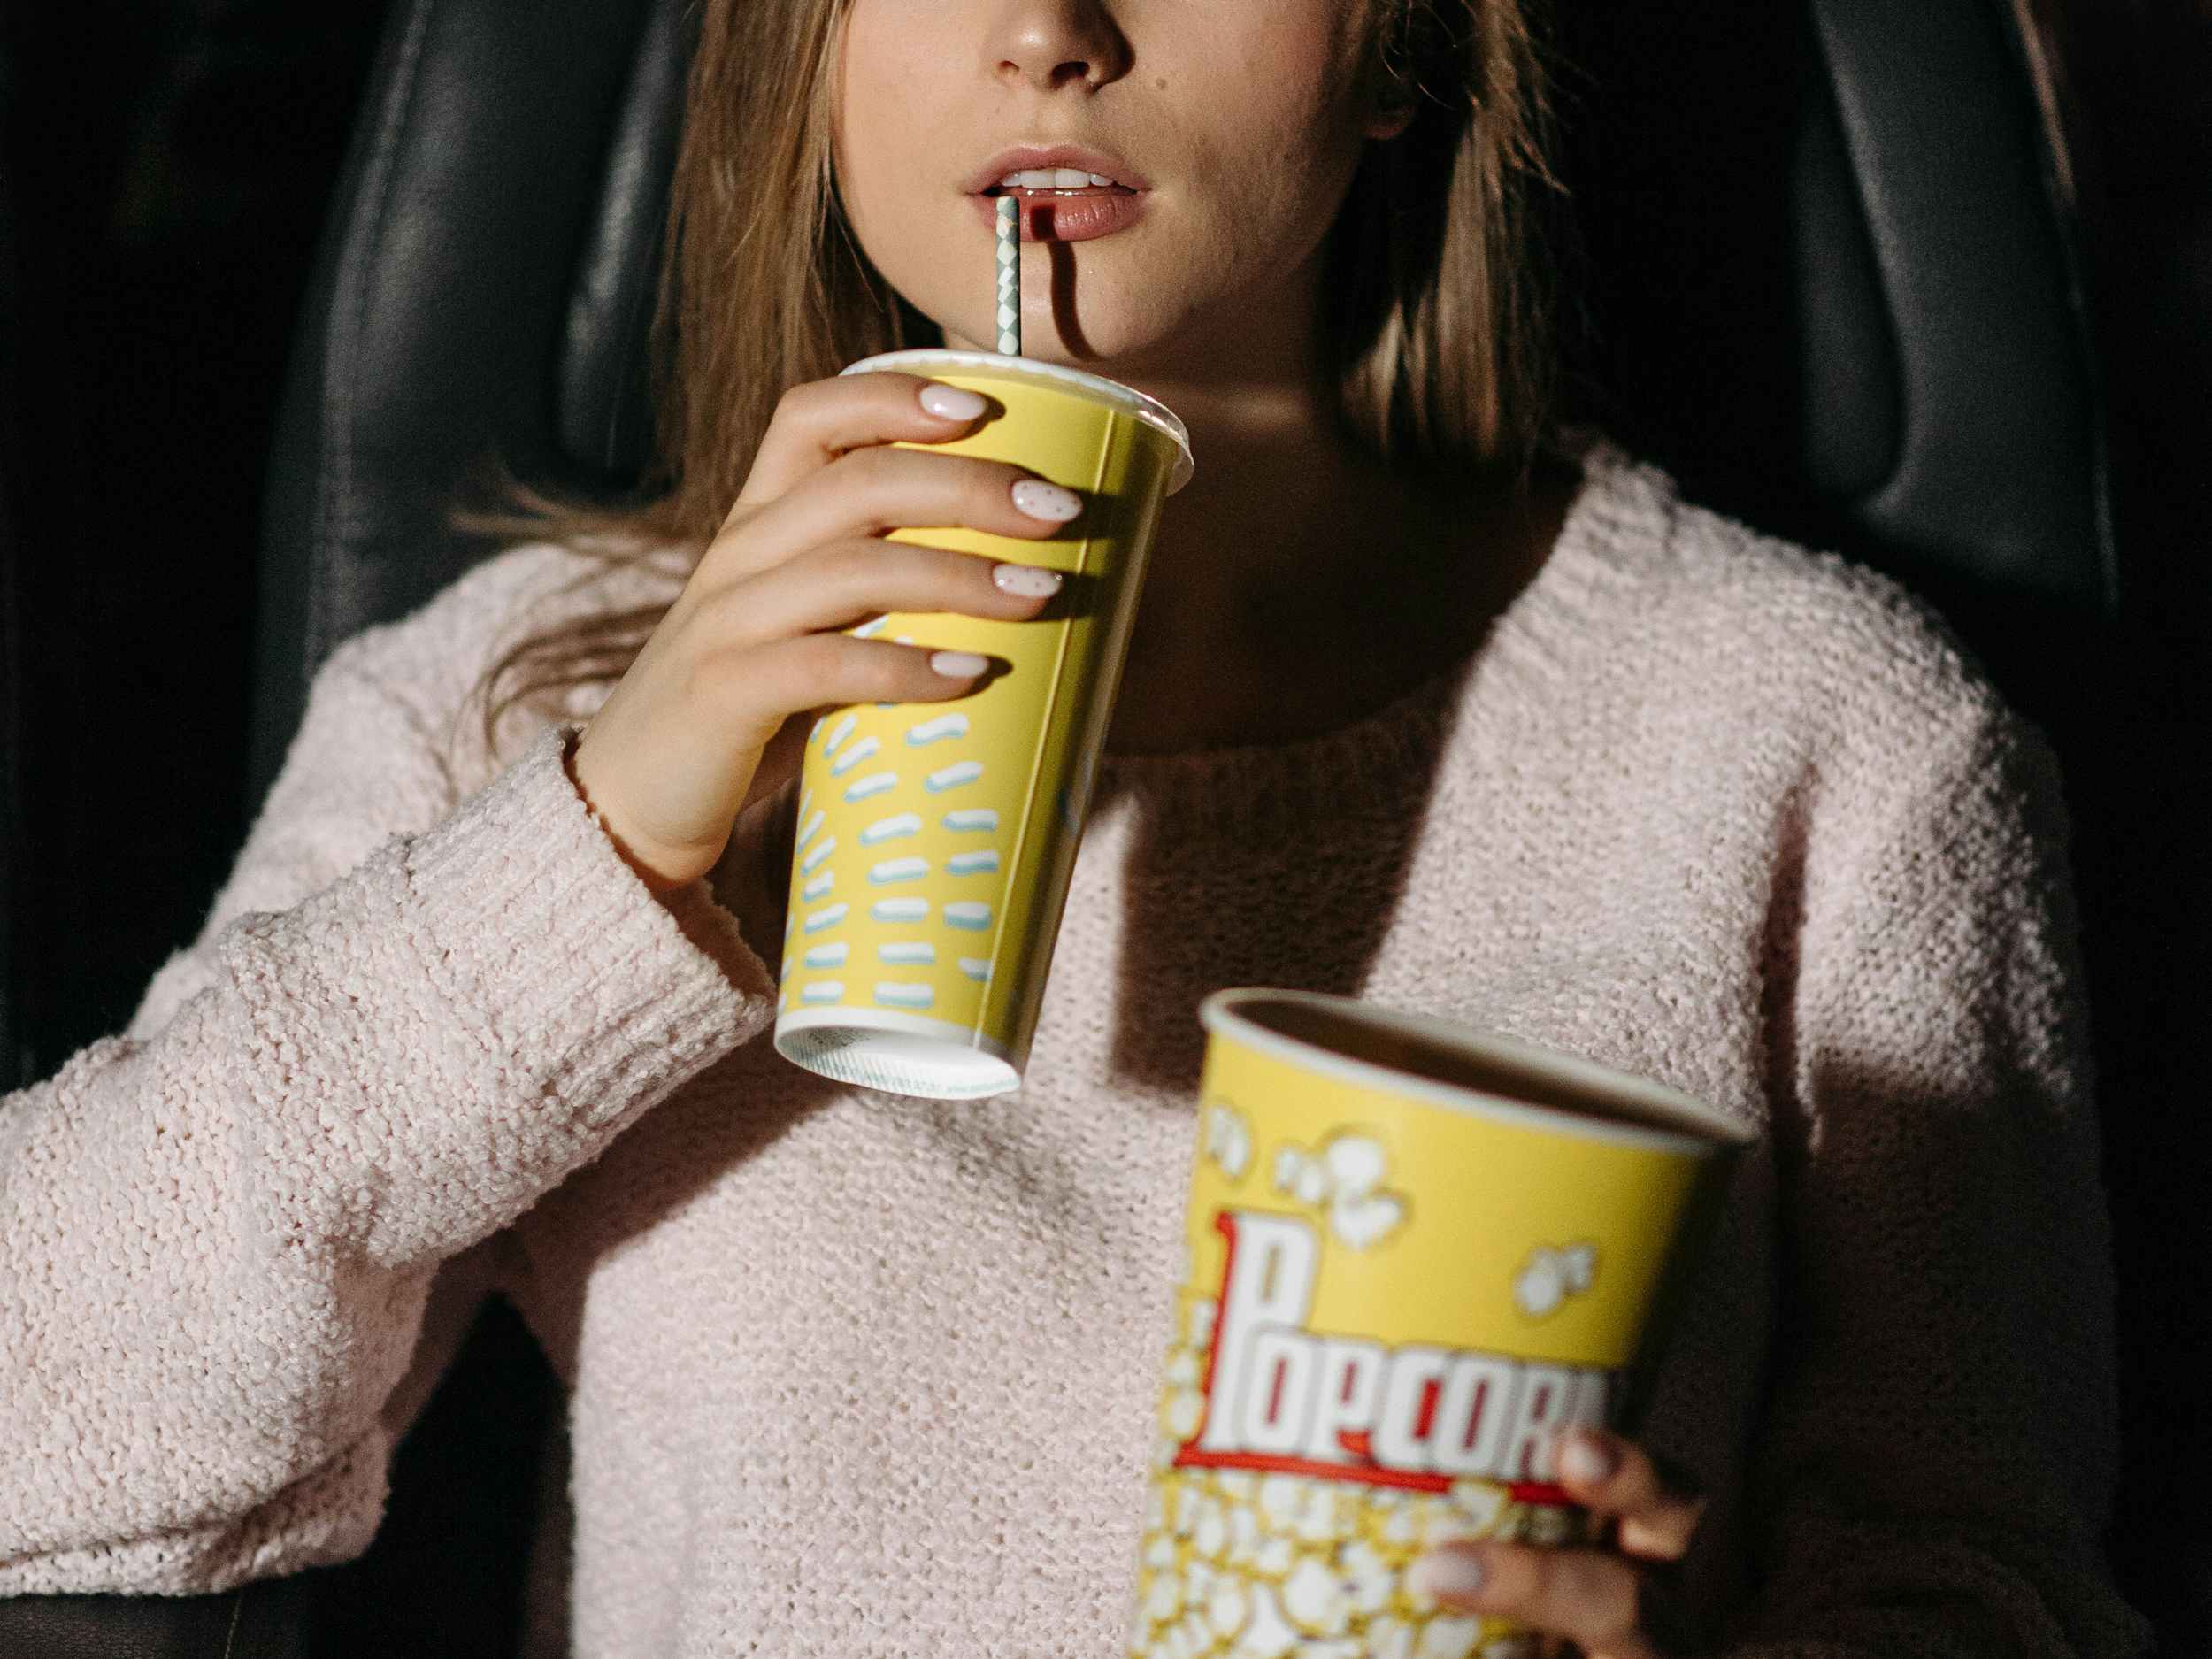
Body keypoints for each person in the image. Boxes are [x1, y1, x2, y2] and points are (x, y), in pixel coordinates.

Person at [0, 1, 2154, 1655]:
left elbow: (1980, 1576)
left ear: (1404, 48)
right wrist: (605, 844)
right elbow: (45, 1416)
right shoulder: (522, 702)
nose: (1049, 27)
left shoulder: (1826, 742)